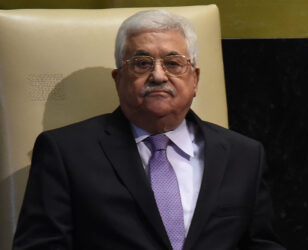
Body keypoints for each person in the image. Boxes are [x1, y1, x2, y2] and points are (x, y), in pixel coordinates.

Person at [13, 10, 286, 250]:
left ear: (195, 79)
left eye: (173, 63)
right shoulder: (66, 153)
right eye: (142, 63)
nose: (158, 76)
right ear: (118, 80)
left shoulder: (245, 156)